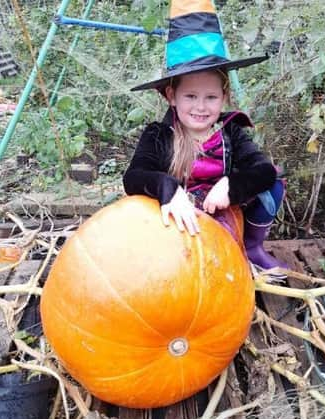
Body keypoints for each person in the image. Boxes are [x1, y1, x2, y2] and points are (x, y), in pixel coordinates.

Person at [123, 0, 288, 272]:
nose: (201, 106)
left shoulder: (231, 131)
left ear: (224, 97)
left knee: (274, 182)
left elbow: (263, 171)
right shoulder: (158, 135)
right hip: (173, 221)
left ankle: (252, 248)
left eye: (211, 97)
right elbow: (134, 177)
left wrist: (230, 185)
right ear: (171, 96)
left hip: (221, 217)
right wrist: (168, 188)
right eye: (190, 96)